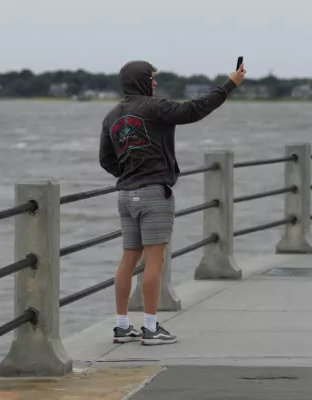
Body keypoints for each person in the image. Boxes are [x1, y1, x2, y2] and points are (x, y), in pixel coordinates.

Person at [99, 60, 245, 345]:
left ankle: (121, 326)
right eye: (151, 79)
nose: (154, 83)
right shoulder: (156, 108)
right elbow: (194, 109)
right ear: (141, 80)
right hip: (154, 194)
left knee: (128, 260)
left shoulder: (111, 116)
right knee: (154, 261)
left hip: (126, 195)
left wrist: (127, 174)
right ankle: (151, 328)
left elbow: (105, 159)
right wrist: (230, 84)